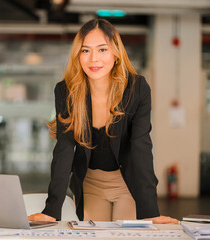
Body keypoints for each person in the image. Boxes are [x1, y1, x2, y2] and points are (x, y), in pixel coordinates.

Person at [28, 18, 178, 224]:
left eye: (102, 50)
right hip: (91, 184)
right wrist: (52, 209)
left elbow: (141, 147)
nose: (93, 59)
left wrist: (151, 211)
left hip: (127, 183)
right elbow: (64, 148)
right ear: (77, 55)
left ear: (116, 53)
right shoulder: (66, 91)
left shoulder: (137, 89)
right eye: (85, 50)